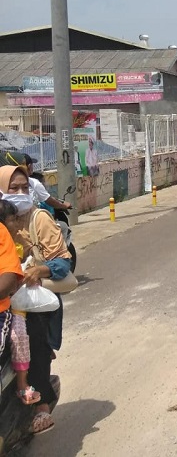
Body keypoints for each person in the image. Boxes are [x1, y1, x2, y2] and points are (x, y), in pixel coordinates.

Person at [0, 164, 72, 434]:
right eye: (12, 188)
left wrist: (41, 269)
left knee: (31, 337)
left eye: (24, 188)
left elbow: (64, 262)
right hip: (5, 300)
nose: (19, 193)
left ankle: (41, 405)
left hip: (32, 300)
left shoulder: (38, 218)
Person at [0, 199, 39, 406]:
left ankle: (22, 384)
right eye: (13, 219)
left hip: (13, 305)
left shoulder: (11, 240)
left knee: (19, 335)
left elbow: (9, 280)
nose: (16, 223)